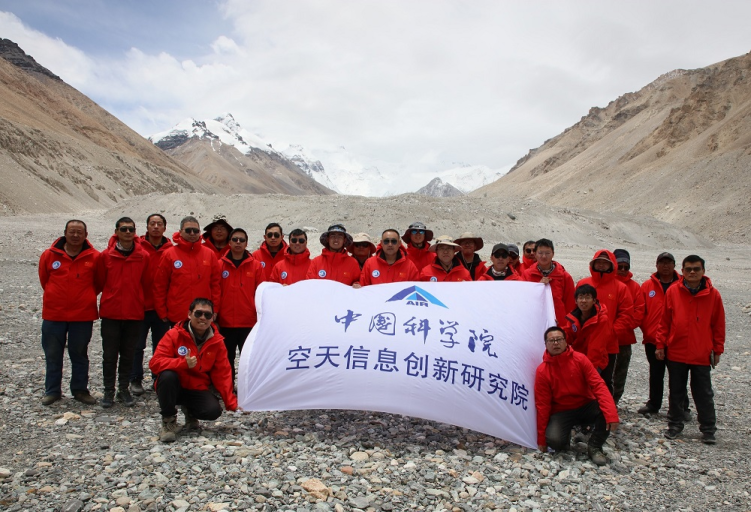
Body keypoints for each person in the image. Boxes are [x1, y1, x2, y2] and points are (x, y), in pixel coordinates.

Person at [656, 255, 725, 444]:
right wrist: (660, 344)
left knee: (703, 392)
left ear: (703, 271)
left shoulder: (713, 295)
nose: (692, 272)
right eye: (688, 269)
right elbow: (665, 321)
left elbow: (718, 325)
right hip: (676, 351)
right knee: (676, 391)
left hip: (701, 353)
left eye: (696, 269)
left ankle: (708, 429)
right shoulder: (673, 292)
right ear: (683, 271)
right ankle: (675, 425)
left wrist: (717, 350)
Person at [149, 298, 237, 442]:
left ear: (212, 318)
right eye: (198, 313)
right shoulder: (174, 335)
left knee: (213, 411)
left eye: (207, 315)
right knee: (167, 376)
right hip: (174, 386)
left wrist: (231, 402)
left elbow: (223, 373)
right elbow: (154, 363)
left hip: (197, 386)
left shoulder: (217, 341)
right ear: (189, 314)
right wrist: (182, 363)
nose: (203, 318)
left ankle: (190, 411)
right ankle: (169, 421)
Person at [535, 326, 619, 466]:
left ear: (565, 341)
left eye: (559, 339)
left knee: (606, 411)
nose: (556, 343)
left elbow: (599, 385)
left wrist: (611, 414)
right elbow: (542, 406)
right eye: (552, 341)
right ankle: (568, 434)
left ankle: (595, 446)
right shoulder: (542, 371)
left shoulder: (580, 360)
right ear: (546, 345)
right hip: (562, 411)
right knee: (555, 441)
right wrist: (541, 440)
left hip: (585, 405)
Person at [38, 220, 100, 406]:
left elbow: (99, 283)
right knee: (53, 354)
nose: (75, 235)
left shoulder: (94, 257)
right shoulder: (49, 255)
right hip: (53, 314)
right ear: (65, 233)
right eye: (72, 232)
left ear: (85, 235)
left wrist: (85, 296)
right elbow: (44, 279)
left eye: (79, 232)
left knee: (80, 354)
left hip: (82, 315)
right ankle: (52, 390)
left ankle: (80, 390)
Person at [95, 217, 149, 408]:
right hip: (111, 313)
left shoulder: (143, 256)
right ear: (116, 231)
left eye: (131, 229)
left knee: (128, 353)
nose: (127, 232)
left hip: (134, 312)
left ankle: (123, 389)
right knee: (109, 355)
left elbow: (147, 282)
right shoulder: (105, 256)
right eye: (124, 229)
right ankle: (108, 391)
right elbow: (100, 281)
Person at [576, 250, 634, 396]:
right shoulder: (584, 283)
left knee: (606, 378)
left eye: (605, 263)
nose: (601, 265)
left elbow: (626, 314)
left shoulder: (620, 287)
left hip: (608, 343)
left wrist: (611, 332)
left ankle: (605, 410)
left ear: (612, 265)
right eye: (599, 262)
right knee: (581, 375)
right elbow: (574, 308)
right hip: (585, 340)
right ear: (593, 263)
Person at [130, 213, 172, 396]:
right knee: (137, 345)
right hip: (140, 306)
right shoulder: (137, 247)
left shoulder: (171, 250)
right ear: (146, 226)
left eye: (159, 224)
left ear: (164, 228)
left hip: (162, 308)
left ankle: (159, 378)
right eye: (152, 223)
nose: (156, 227)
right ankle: (135, 378)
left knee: (161, 346)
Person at [153, 216, 221, 326]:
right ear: (180, 232)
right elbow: (160, 285)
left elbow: (216, 285)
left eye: (195, 231)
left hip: (203, 315)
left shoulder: (209, 254)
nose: (192, 233)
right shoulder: (169, 254)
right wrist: (162, 312)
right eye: (188, 230)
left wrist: (215, 309)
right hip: (178, 314)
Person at [637, 252, 683, 416]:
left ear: (674, 265)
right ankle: (654, 404)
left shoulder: (683, 285)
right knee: (656, 374)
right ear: (656, 265)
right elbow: (641, 312)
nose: (665, 266)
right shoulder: (647, 286)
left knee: (678, 375)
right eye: (662, 262)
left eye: (669, 262)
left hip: (676, 340)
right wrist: (648, 330)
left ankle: (680, 407)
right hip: (653, 339)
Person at [217, 228, 264, 384]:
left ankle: (248, 388)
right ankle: (228, 388)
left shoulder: (256, 266)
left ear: (246, 243)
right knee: (226, 359)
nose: (238, 242)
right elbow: (215, 292)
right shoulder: (219, 265)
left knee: (249, 359)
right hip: (226, 322)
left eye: (241, 240)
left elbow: (260, 293)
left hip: (248, 321)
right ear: (229, 242)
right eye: (235, 239)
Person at [612, 249, 646, 405]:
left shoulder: (635, 287)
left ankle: (615, 400)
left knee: (620, 371)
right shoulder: (606, 283)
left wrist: (624, 326)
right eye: (620, 266)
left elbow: (639, 311)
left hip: (624, 338)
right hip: (604, 337)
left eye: (626, 267)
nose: (623, 270)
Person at [521, 239, 575, 327]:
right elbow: (524, 299)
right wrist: (538, 286)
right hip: (534, 322)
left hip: (559, 324)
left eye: (547, 253)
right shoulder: (527, 275)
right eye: (540, 253)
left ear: (553, 254)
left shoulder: (564, 276)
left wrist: (568, 325)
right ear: (535, 254)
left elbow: (570, 304)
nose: (544, 256)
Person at [562, 284, 612, 374]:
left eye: (587, 297)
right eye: (580, 297)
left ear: (594, 301)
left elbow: (596, 347)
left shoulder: (602, 319)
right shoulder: (573, 316)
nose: (584, 301)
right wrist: (559, 332)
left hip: (595, 362)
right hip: (577, 358)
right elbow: (569, 336)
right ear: (576, 301)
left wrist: (589, 370)